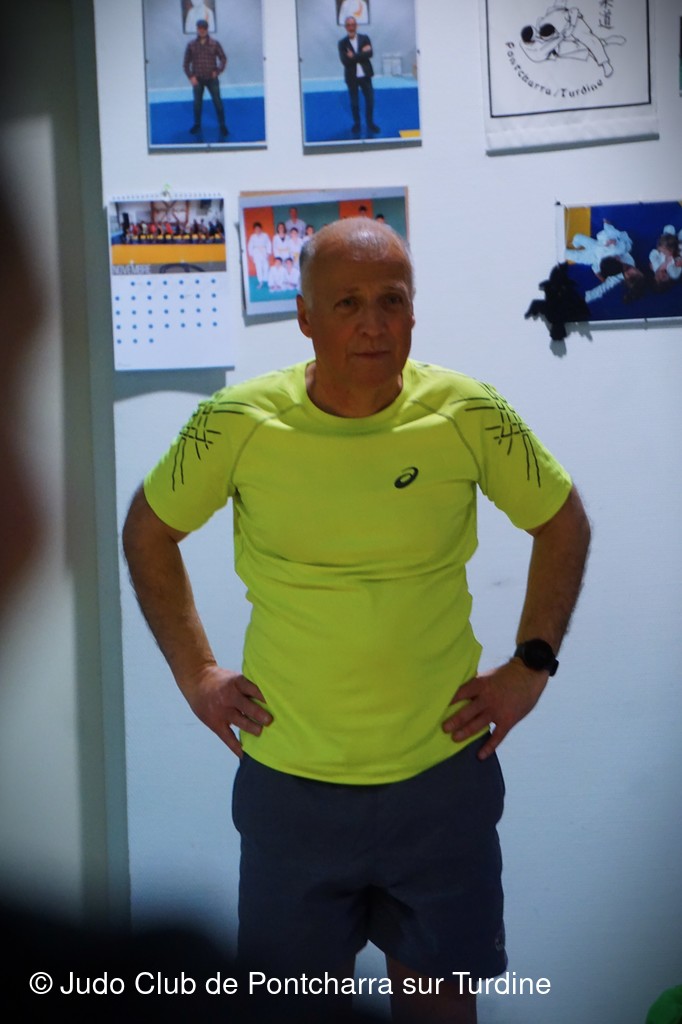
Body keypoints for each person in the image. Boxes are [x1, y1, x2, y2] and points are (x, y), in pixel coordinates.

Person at [122, 217, 590, 1024]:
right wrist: (197, 674)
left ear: (413, 312)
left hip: (440, 780)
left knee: (440, 1009)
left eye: (391, 300)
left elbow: (562, 521)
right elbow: (147, 530)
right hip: (292, 788)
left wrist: (531, 666)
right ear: (305, 317)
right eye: (346, 303)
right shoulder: (238, 421)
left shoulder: (468, 412)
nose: (373, 324)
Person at [183, 18, 228, 138]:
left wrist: (217, 71)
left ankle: (222, 125)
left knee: (218, 103)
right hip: (197, 79)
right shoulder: (191, 45)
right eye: (200, 28)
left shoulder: (214, 44)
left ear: (207, 29)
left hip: (212, 79)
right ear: (197, 29)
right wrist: (191, 76)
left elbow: (223, 58)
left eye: (204, 28)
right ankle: (197, 124)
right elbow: (186, 63)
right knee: (197, 104)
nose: (202, 30)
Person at [338, 17, 380, 135]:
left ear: (356, 25)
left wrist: (354, 56)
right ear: (345, 27)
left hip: (366, 75)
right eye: (348, 25)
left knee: (370, 101)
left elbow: (370, 54)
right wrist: (362, 54)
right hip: (351, 77)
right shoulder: (342, 43)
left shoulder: (365, 38)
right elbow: (345, 61)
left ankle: (370, 123)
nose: (351, 27)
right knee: (354, 103)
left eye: (353, 24)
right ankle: (357, 124)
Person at [246, 222, 272, 289]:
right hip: (256, 253)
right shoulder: (252, 237)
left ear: (261, 228)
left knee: (266, 267)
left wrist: (268, 252)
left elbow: (268, 244)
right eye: (256, 229)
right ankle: (260, 281)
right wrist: (251, 255)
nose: (257, 230)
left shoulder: (265, 235)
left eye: (258, 228)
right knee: (259, 268)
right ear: (254, 229)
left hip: (264, 252)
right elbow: (250, 246)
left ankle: (267, 280)